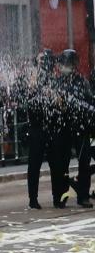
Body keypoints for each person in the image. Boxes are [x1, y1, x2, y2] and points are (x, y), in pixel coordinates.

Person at [53, 49, 94, 208]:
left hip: (81, 128)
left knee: (84, 162)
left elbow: (89, 100)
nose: (67, 66)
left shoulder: (82, 82)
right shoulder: (57, 82)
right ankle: (60, 196)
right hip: (63, 128)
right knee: (61, 163)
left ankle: (83, 195)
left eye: (69, 63)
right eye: (65, 63)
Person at [24, 50, 59, 209]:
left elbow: (59, 100)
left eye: (46, 60)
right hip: (36, 127)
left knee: (55, 163)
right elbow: (26, 96)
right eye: (41, 60)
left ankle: (57, 197)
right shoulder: (32, 76)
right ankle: (33, 199)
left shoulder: (54, 79)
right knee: (34, 164)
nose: (44, 63)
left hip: (51, 127)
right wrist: (35, 83)